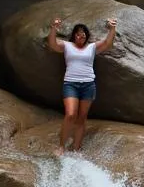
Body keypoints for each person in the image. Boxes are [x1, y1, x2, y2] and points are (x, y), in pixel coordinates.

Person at [47, 17, 117, 153]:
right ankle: (61, 146)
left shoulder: (92, 47)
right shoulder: (67, 45)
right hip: (71, 84)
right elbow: (52, 44)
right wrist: (54, 28)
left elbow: (108, 43)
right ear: (74, 35)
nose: (81, 35)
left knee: (82, 118)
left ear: (86, 36)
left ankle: (76, 148)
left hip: (88, 85)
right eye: (78, 33)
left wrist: (112, 28)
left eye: (83, 33)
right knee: (71, 114)